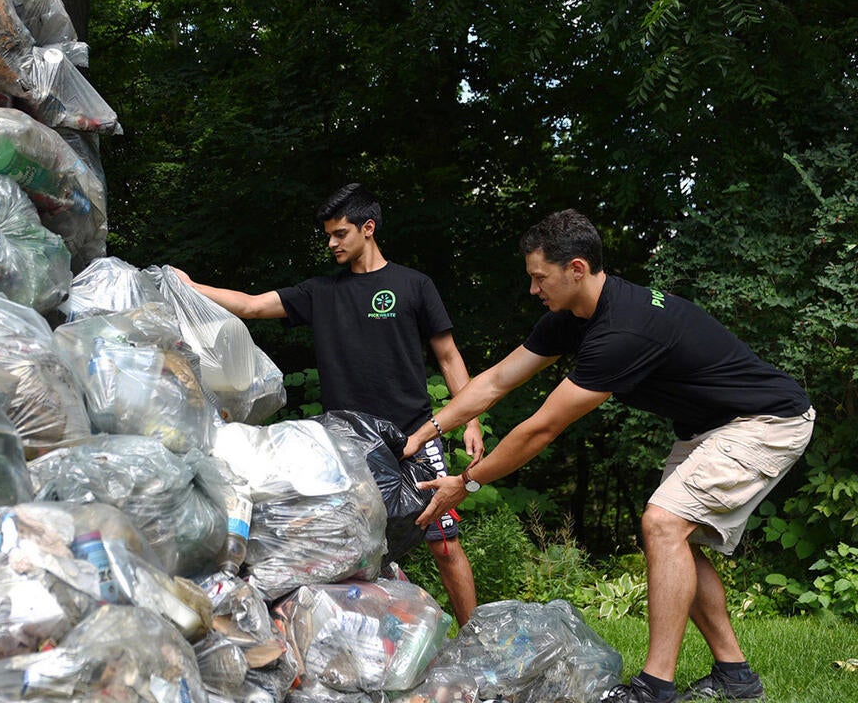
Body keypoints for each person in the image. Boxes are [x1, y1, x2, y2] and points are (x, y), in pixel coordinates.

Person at [407, 209, 814, 703]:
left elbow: (542, 428)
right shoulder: (571, 317)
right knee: (679, 538)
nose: (534, 290)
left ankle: (655, 687)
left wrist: (465, 483)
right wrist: (423, 432)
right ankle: (736, 676)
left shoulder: (623, 331)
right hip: (709, 427)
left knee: (663, 523)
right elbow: (494, 382)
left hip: (766, 421)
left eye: (540, 278)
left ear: (576, 269)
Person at [175, 182, 485, 625]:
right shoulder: (321, 291)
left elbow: (448, 355)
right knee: (356, 549)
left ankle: (473, 636)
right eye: (328, 235)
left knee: (444, 542)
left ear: (368, 228)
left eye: (340, 233)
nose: (332, 243)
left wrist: (469, 417)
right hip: (348, 445)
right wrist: (189, 286)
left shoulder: (414, 285)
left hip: (416, 434)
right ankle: (378, 647)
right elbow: (252, 305)